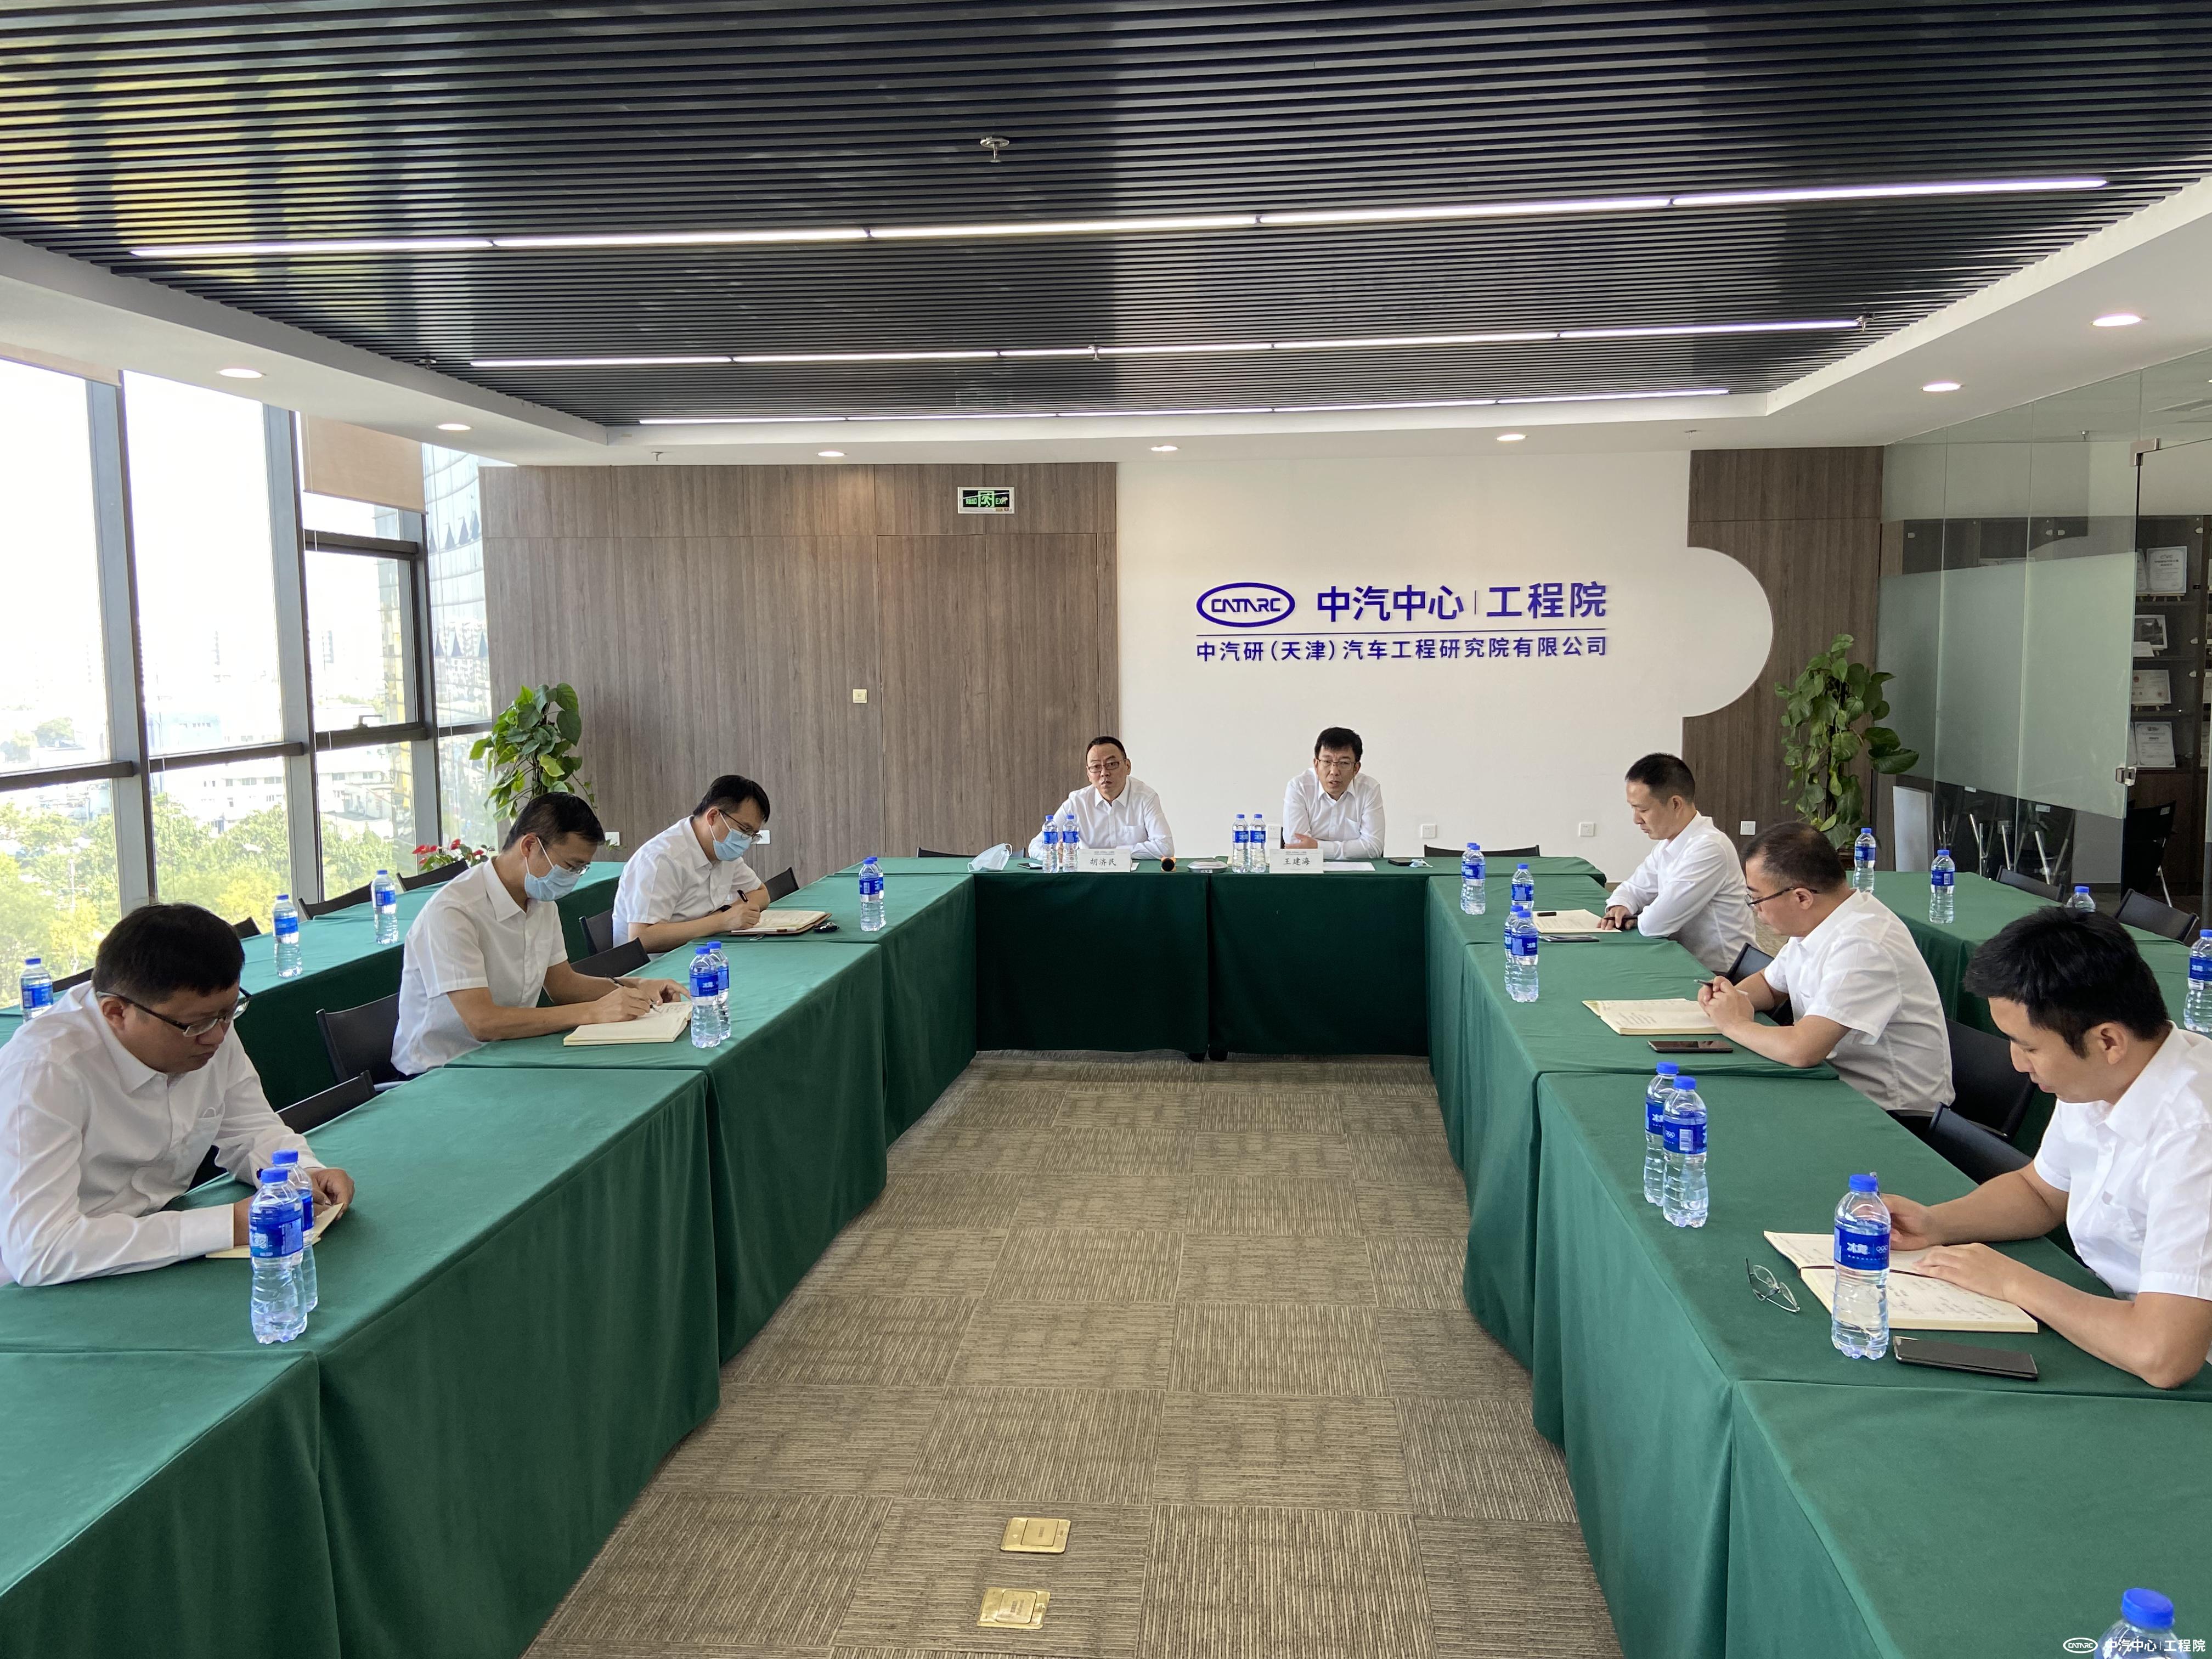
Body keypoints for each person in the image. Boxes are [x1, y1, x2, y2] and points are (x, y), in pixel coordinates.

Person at [1882, 910, 2212, 1388]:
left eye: (2029, 1047)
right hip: (2119, 1321)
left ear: (2108, 1040)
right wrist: (1937, 1223)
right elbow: (2039, 1193)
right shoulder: (2102, 1077)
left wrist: (2013, 1281)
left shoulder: (2195, 1136)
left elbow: (2163, 1356)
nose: (2018, 1063)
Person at [0, 904, 356, 1288]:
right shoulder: (45, 1070)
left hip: (157, 1249)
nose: (217, 1036)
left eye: (228, 1013)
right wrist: (228, 1225)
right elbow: (40, 1250)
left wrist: (301, 1175)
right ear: (116, 1012)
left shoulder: (204, 1021)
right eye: (197, 1024)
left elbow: (251, 1130)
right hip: (43, 1287)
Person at [392, 792, 685, 1074]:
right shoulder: (455, 911)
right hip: (441, 1070)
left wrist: (637, 986)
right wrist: (593, 1012)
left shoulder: (541, 902)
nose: (572, 878)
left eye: (581, 870)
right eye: (570, 866)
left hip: (508, 1053)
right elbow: (483, 1023)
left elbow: (563, 986)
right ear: (530, 845)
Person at [1697, 821, 1953, 1118]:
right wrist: (1728, 997)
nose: (1755, 909)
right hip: (1833, 1082)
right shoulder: (1820, 921)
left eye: (1757, 898)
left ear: (1802, 897)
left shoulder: (1863, 945)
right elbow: (1770, 985)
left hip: (1891, 1113)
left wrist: (1734, 1025)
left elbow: (1802, 1050)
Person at [1599, 752, 1754, 973]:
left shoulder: (1709, 848)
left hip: (1722, 973)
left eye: (1643, 810)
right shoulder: (1670, 843)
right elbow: (1632, 889)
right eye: (1632, 808)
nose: (1636, 819)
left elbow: (1655, 924)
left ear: (1675, 804)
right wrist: (1620, 906)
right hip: (1685, 961)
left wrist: (1636, 916)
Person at [612, 774, 772, 950]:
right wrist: (722, 921)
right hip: (658, 962)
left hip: (702, 952)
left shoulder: (722, 851)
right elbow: (642, 938)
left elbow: (761, 894)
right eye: (744, 830)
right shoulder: (662, 858)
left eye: (752, 835)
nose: (747, 840)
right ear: (713, 816)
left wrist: (724, 914)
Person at [1029, 736, 1174, 859]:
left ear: (1128, 766)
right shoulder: (1077, 803)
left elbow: (1165, 847)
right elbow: (1035, 846)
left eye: (1112, 764)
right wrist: (1054, 853)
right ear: (1089, 774)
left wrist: (1115, 854)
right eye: (1096, 767)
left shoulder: (1146, 798)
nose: (1104, 773)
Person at [1282, 725, 1385, 861]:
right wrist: (1352, 849)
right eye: (1327, 762)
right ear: (1316, 765)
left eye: (1344, 763)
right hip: (1310, 869)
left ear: (1356, 768)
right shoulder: (1299, 788)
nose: (1334, 771)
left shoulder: (1369, 789)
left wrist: (1318, 847)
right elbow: (1298, 845)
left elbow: (1374, 847)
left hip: (1356, 872)